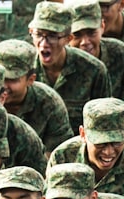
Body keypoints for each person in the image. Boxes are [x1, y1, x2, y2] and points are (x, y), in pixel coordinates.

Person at [26, 2, 110, 132]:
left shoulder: (93, 70)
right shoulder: (23, 69)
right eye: (38, 34)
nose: (44, 44)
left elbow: (103, 123)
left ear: (68, 38)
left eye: (52, 36)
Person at [0, 39, 72, 154]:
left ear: (30, 79)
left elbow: (57, 153)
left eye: (11, 80)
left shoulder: (49, 102)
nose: (3, 85)